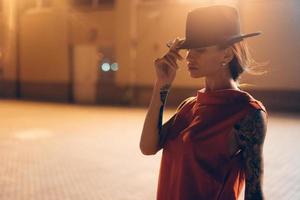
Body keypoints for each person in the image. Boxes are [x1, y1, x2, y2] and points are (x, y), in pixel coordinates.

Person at [139, 5, 268, 200]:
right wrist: (161, 84)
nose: (189, 56)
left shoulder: (247, 113)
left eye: (199, 50)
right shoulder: (189, 106)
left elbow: (254, 193)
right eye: (189, 49)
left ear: (226, 55)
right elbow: (147, 147)